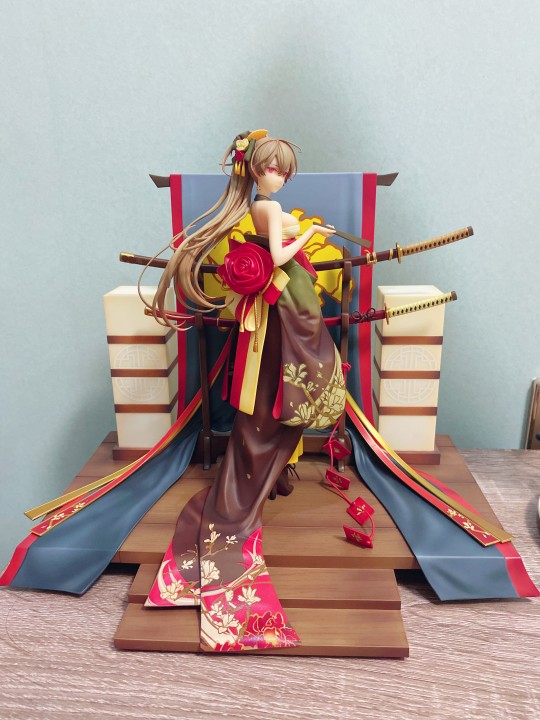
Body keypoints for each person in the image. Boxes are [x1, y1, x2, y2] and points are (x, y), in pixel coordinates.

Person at [142, 130, 347, 652]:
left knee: (286, 377)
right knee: (290, 376)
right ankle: (253, 483)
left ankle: (275, 454)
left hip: (285, 303)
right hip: (283, 300)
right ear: (255, 168)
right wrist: (309, 233)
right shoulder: (268, 208)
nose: (279, 177)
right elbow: (277, 258)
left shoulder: (261, 207)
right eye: (273, 168)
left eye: (284, 170)